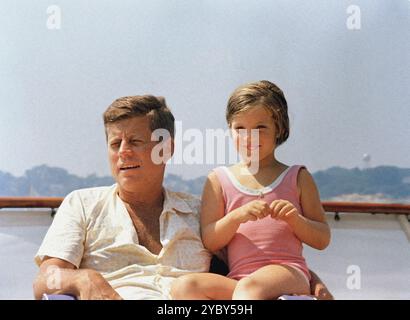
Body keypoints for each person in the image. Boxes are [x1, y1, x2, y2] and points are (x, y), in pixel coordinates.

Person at [33, 94, 332, 300]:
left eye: (135, 141)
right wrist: (83, 279)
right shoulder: (82, 204)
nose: (123, 152)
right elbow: (45, 281)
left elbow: (257, 262)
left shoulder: (199, 211)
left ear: (166, 148)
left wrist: (309, 279)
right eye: (115, 143)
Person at [171, 80, 331, 300]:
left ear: (280, 128)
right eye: (240, 128)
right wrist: (236, 217)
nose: (249, 137)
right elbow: (211, 240)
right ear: (230, 130)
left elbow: (322, 238)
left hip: (289, 272)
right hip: (239, 282)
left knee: (250, 289)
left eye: (260, 128)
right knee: (185, 287)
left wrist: (295, 220)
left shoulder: (297, 177)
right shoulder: (218, 180)